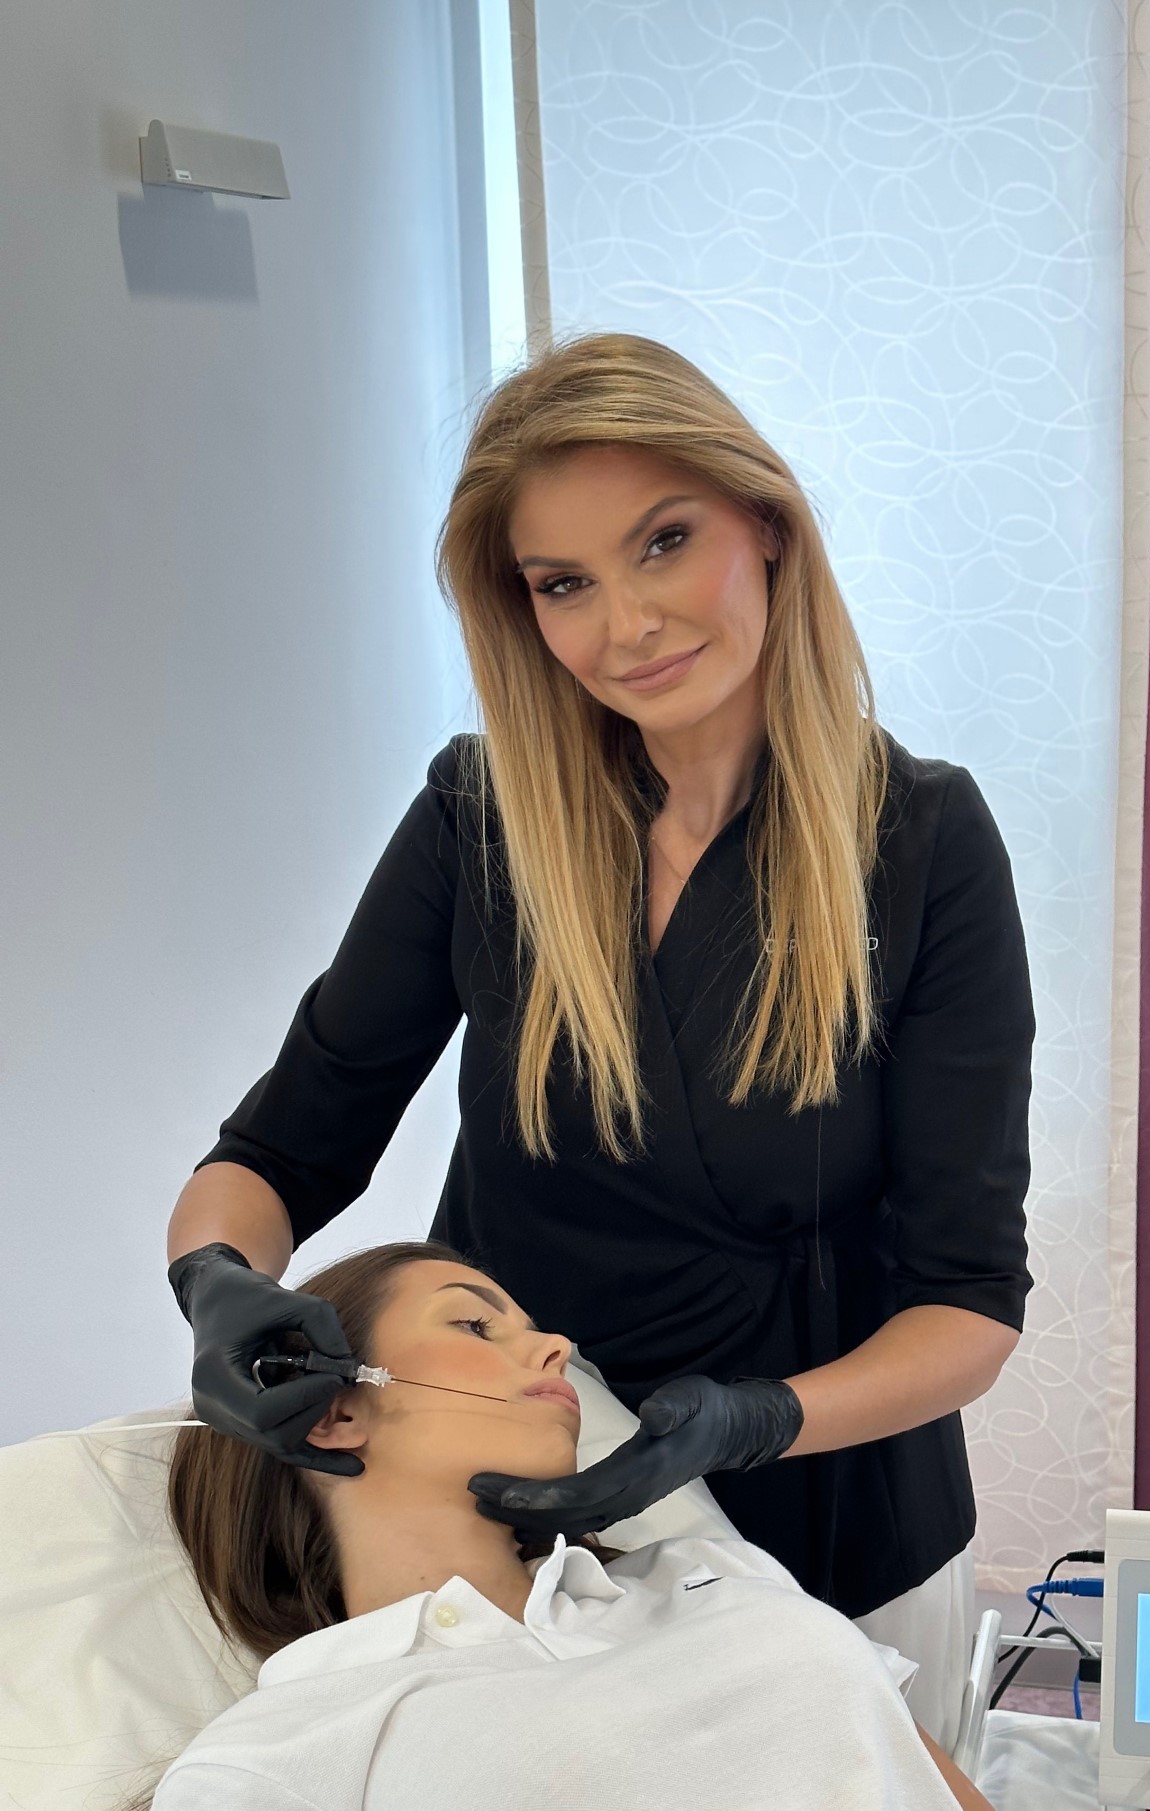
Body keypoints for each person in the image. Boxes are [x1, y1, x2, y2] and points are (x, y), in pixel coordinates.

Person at [164, 330, 1036, 1744]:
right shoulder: (482, 822)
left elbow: (966, 1303)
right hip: (528, 1519)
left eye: (663, 542)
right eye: (563, 582)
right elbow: (281, 1145)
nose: (624, 625)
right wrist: (215, 1279)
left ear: (765, 522)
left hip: (831, 1517)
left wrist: (746, 1420)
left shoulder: (920, 843)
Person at [143, 1240, 995, 1811]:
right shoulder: (277, 1753)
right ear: (334, 1411)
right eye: (475, 1323)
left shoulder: (706, 1574)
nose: (555, 1343)